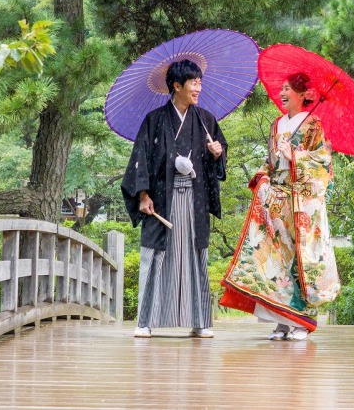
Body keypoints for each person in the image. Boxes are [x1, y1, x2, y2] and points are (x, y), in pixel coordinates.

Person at [220, 72, 340, 340]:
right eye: (282, 89)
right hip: (276, 198)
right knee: (275, 257)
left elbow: (323, 164)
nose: (282, 94)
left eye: (288, 89)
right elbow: (270, 162)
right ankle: (281, 320)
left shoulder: (313, 124)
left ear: (303, 94)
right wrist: (263, 175)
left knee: (300, 258)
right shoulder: (277, 125)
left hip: (301, 201)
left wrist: (295, 155)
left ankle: (302, 322)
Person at [121, 59, 227, 338]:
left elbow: (219, 155)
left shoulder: (205, 120)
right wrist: (143, 195)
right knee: (155, 255)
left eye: (200, 82)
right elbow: (139, 158)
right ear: (176, 86)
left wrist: (218, 152)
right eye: (193, 82)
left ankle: (200, 320)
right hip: (161, 200)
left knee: (195, 255)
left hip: (194, 199)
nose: (198, 88)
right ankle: (145, 320)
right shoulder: (154, 120)